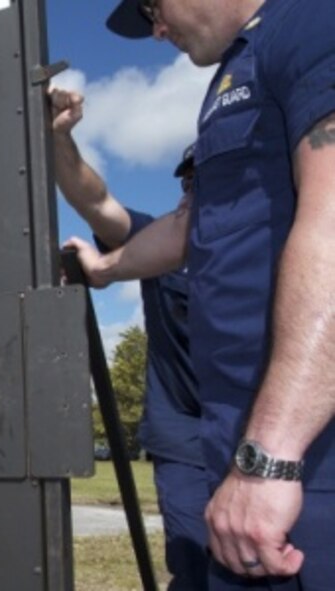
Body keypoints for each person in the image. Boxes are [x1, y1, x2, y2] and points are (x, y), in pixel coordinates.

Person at [69, 1, 335, 588]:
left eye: (151, 6)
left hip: (306, 459)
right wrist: (106, 268)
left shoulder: (313, 23)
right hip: (240, 444)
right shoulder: (232, 73)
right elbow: (194, 226)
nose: (156, 29)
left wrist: (270, 458)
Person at [51, 86, 206, 590]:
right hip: (186, 439)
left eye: (202, 180)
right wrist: (59, 136)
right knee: (198, 565)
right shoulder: (159, 240)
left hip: (263, 426)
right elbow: (95, 202)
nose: (189, 191)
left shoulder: (279, 240)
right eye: (186, 181)